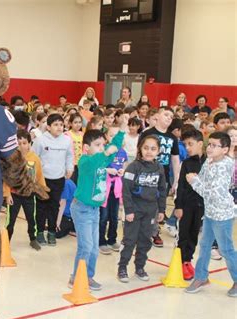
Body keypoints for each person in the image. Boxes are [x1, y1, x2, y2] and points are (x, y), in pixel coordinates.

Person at [68, 113, 127, 290]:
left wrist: (122, 130)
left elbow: (113, 148)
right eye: (98, 145)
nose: (102, 148)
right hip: (82, 209)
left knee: (93, 248)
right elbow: (99, 159)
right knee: (85, 246)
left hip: (94, 210)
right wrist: (107, 151)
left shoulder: (101, 157)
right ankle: (77, 277)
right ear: (86, 147)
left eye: (103, 144)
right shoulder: (85, 161)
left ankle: (87, 276)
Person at [185, 132, 237, 297]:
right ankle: (201, 277)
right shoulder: (209, 161)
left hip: (222, 215)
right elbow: (203, 180)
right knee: (205, 246)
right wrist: (196, 180)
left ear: (225, 149)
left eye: (215, 145)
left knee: (226, 249)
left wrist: (194, 182)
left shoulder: (225, 166)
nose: (210, 148)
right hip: (210, 212)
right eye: (210, 144)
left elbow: (212, 193)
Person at [117, 135, 167, 282]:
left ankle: (140, 267)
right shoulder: (133, 167)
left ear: (158, 151)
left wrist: (162, 210)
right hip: (135, 210)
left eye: (153, 149)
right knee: (130, 239)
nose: (149, 152)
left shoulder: (159, 168)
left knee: (145, 239)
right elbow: (126, 190)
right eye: (146, 148)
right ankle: (122, 267)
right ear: (140, 148)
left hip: (151, 210)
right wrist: (129, 210)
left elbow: (162, 190)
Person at [139, 107, 180, 247]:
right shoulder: (148, 133)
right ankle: (139, 230)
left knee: (158, 206)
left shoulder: (172, 137)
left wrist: (176, 179)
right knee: (143, 203)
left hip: (162, 176)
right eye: (166, 114)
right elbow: (139, 153)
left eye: (171, 116)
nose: (169, 118)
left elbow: (175, 159)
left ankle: (154, 232)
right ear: (157, 115)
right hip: (146, 174)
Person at [32, 114, 74, 246]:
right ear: (48, 127)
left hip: (59, 178)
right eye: (56, 124)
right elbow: (34, 158)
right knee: (41, 206)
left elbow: (69, 156)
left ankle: (51, 232)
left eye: (61, 124)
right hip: (43, 179)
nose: (59, 127)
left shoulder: (67, 140)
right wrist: (34, 176)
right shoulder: (41, 140)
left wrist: (69, 168)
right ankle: (39, 232)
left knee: (54, 206)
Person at [4, 130, 46, 250]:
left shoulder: (35, 159)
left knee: (31, 218)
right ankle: (6, 240)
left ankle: (33, 238)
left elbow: (39, 175)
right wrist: (7, 195)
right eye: (19, 143)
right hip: (14, 195)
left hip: (29, 195)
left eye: (24, 143)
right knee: (10, 220)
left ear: (29, 143)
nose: (22, 146)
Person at [174, 128, 206, 280]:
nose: (187, 147)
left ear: (200, 143)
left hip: (201, 206)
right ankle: (181, 262)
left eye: (190, 144)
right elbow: (181, 186)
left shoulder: (209, 162)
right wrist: (178, 206)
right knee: (184, 234)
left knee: (194, 234)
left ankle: (188, 261)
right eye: (185, 144)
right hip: (186, 205)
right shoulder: (186, 163)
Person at [99, 125, 128, 255]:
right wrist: (107, 171)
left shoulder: (123, 152)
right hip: (104, 188)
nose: (115, 139)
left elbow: (125, 166)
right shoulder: (104, 151)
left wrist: (123, 171)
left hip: (116, 188)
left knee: (114, 215)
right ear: (106, 137)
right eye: (111, 135)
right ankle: (101, 241)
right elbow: (98, 168)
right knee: (103, 216)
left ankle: (112, 239)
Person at [64, 113, 83, 183]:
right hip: (71, 164)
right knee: (72, 183)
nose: (78, 124)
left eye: (80, 122)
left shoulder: (82, 134)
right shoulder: (66, 134)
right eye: (75, 122)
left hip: (81, 163)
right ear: (70, 123)